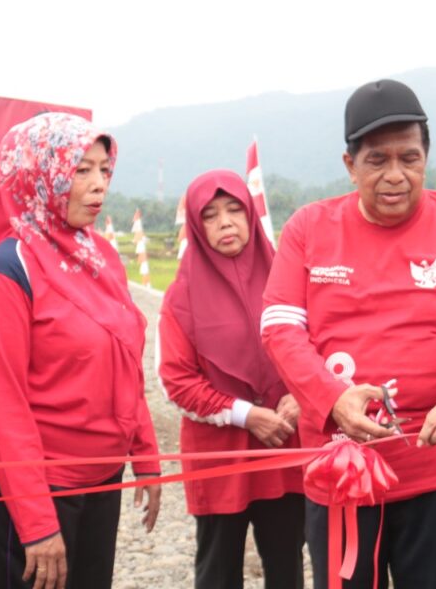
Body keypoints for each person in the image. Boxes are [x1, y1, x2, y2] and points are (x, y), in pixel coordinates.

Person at [261, 79, 436, 588]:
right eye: (377, 160)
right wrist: (332, 399)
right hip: (342, 468)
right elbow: (279, 328)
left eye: (410, 157)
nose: (395, 175)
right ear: (349, 164)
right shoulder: (308, 229)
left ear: (426, 157)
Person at [0, 112, 161, 589]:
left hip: (102, 476)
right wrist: (36, 522)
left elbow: (126, 363)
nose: (98, 186)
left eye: (104, 171)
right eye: (81, 170)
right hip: (38, 485)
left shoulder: (100, 256)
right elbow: (1, 405)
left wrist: (146, 456)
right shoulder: (7, 270)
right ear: (39, 172)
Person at [159, 169, 306, 589]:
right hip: (219, 454)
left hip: (283, 443)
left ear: (251, 214)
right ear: (196, 225)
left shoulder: (289, 276)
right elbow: (177, 380)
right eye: (210, 215)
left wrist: (302, 395)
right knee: (218, 569)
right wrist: (246, 415)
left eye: (234, 209)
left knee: (287, 563)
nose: (225, 222)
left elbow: (319, 344)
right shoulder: (182, 295)